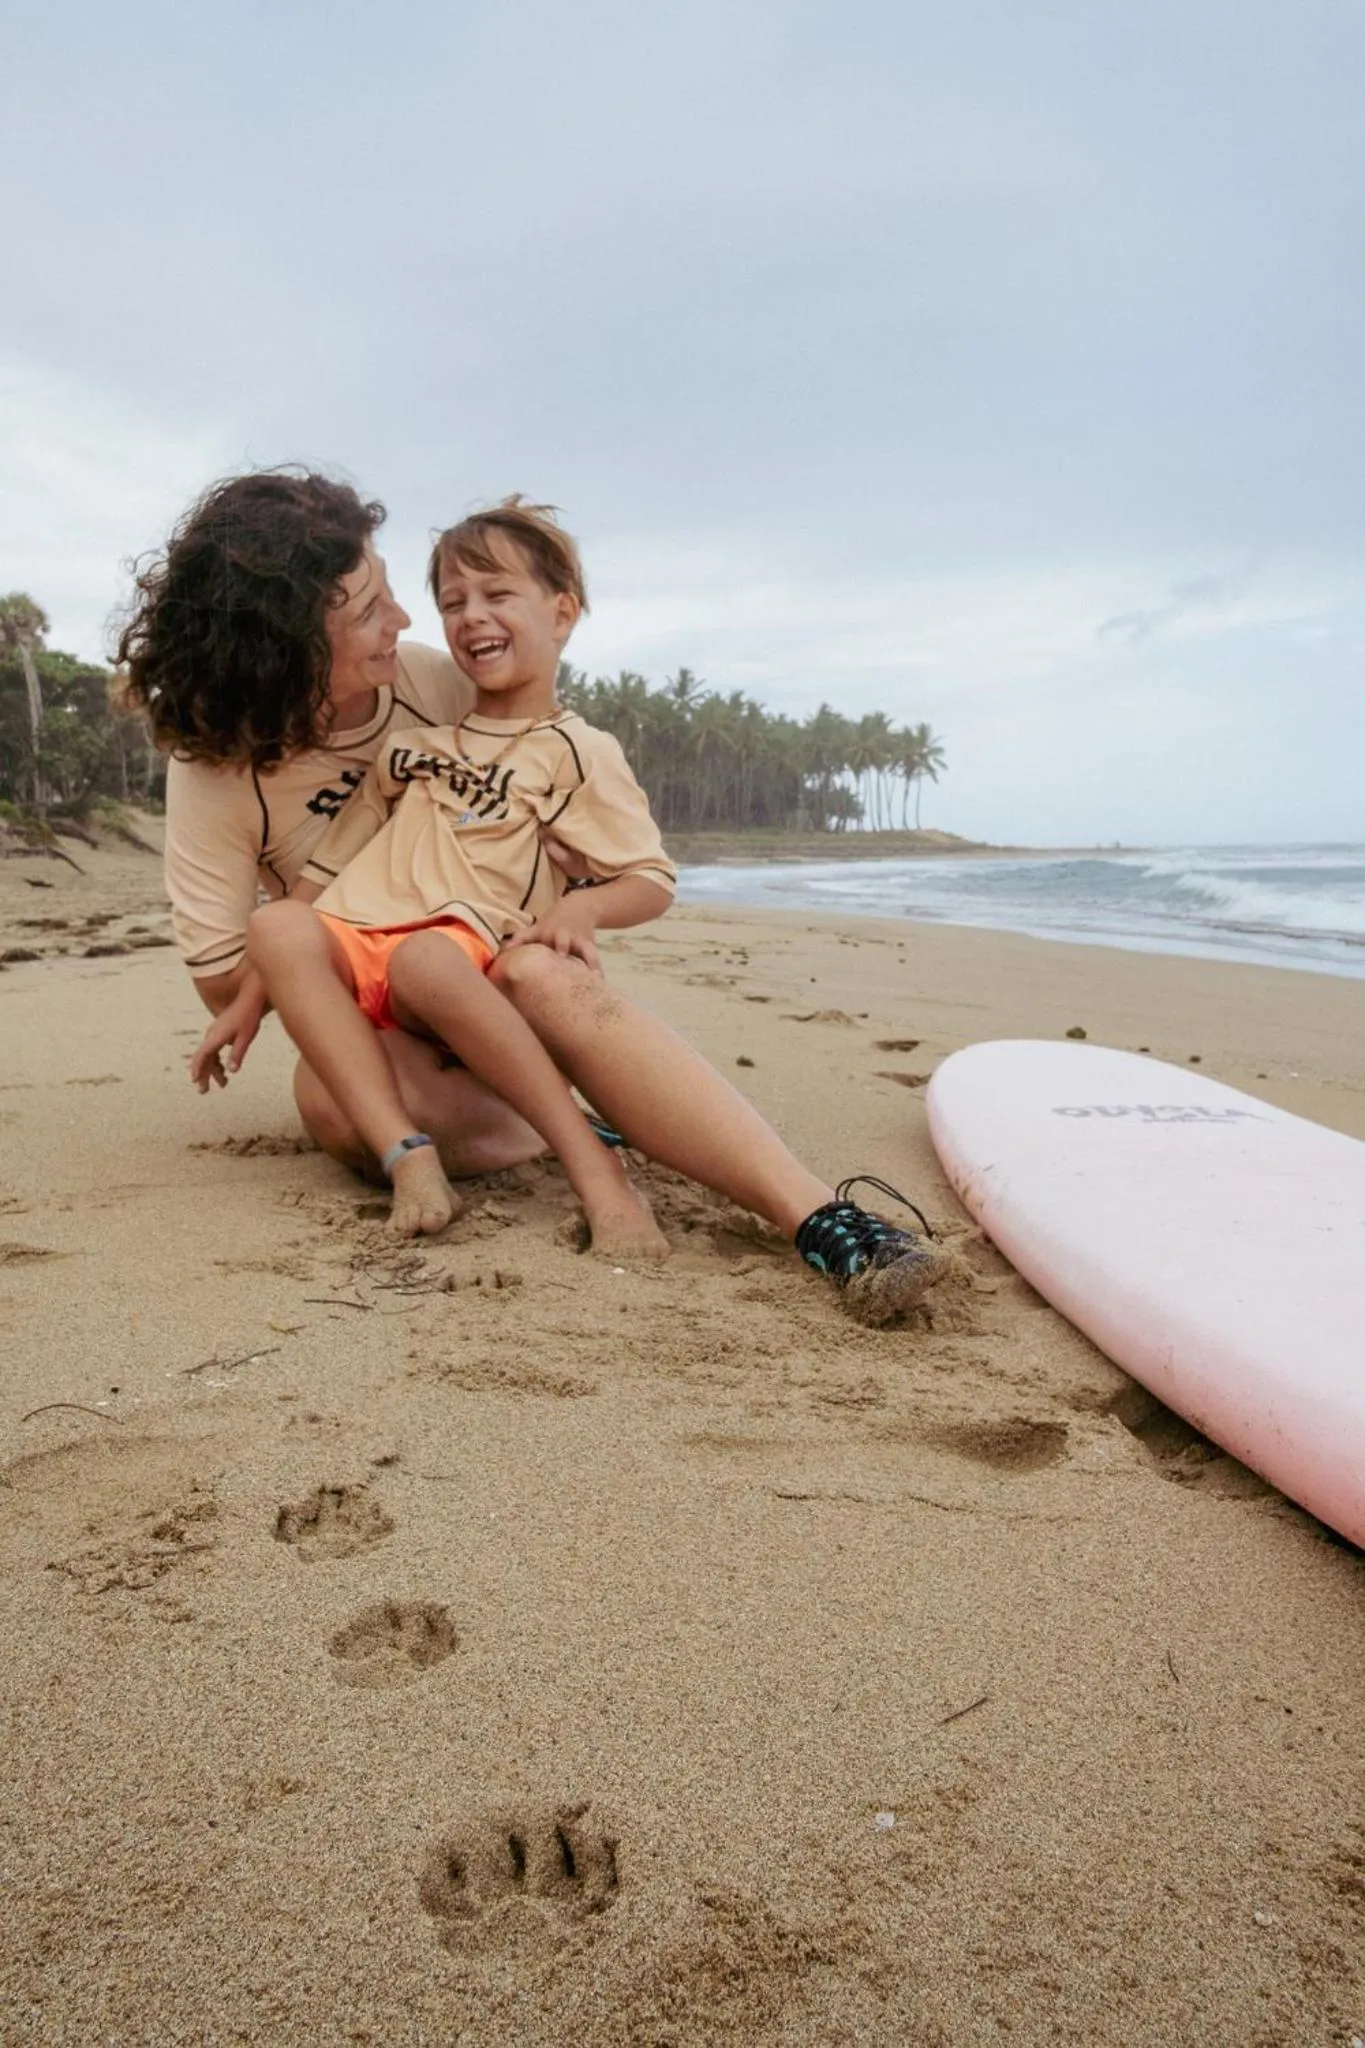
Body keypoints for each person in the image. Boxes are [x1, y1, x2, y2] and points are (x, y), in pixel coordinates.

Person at [121, 468, 945, 1322]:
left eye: (398, 595)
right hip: (376, 1019)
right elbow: (236, 968)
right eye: (370, 610)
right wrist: (289, 960)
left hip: (487, 974)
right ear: (286, 646)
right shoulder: (217, 772)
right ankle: (599, 1120)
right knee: (332, 1106)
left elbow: (548, 782)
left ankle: (814, 1213)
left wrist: (572, 886)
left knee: (532, 975)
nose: (405, 623)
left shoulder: (433, 683)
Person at [234, 500, 677, 1253]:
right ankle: (407, 1155)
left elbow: (650, 879)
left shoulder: (576, 750)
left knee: (426, 959)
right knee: (275, 920)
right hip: (358, 939)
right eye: (452, 602)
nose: (472, 616)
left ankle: (597, 1171)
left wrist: (584, 909)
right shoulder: (411, 747)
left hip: (453, 946)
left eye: (497, 594)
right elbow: (325, 870)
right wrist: (250, 996)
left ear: (561, 612)